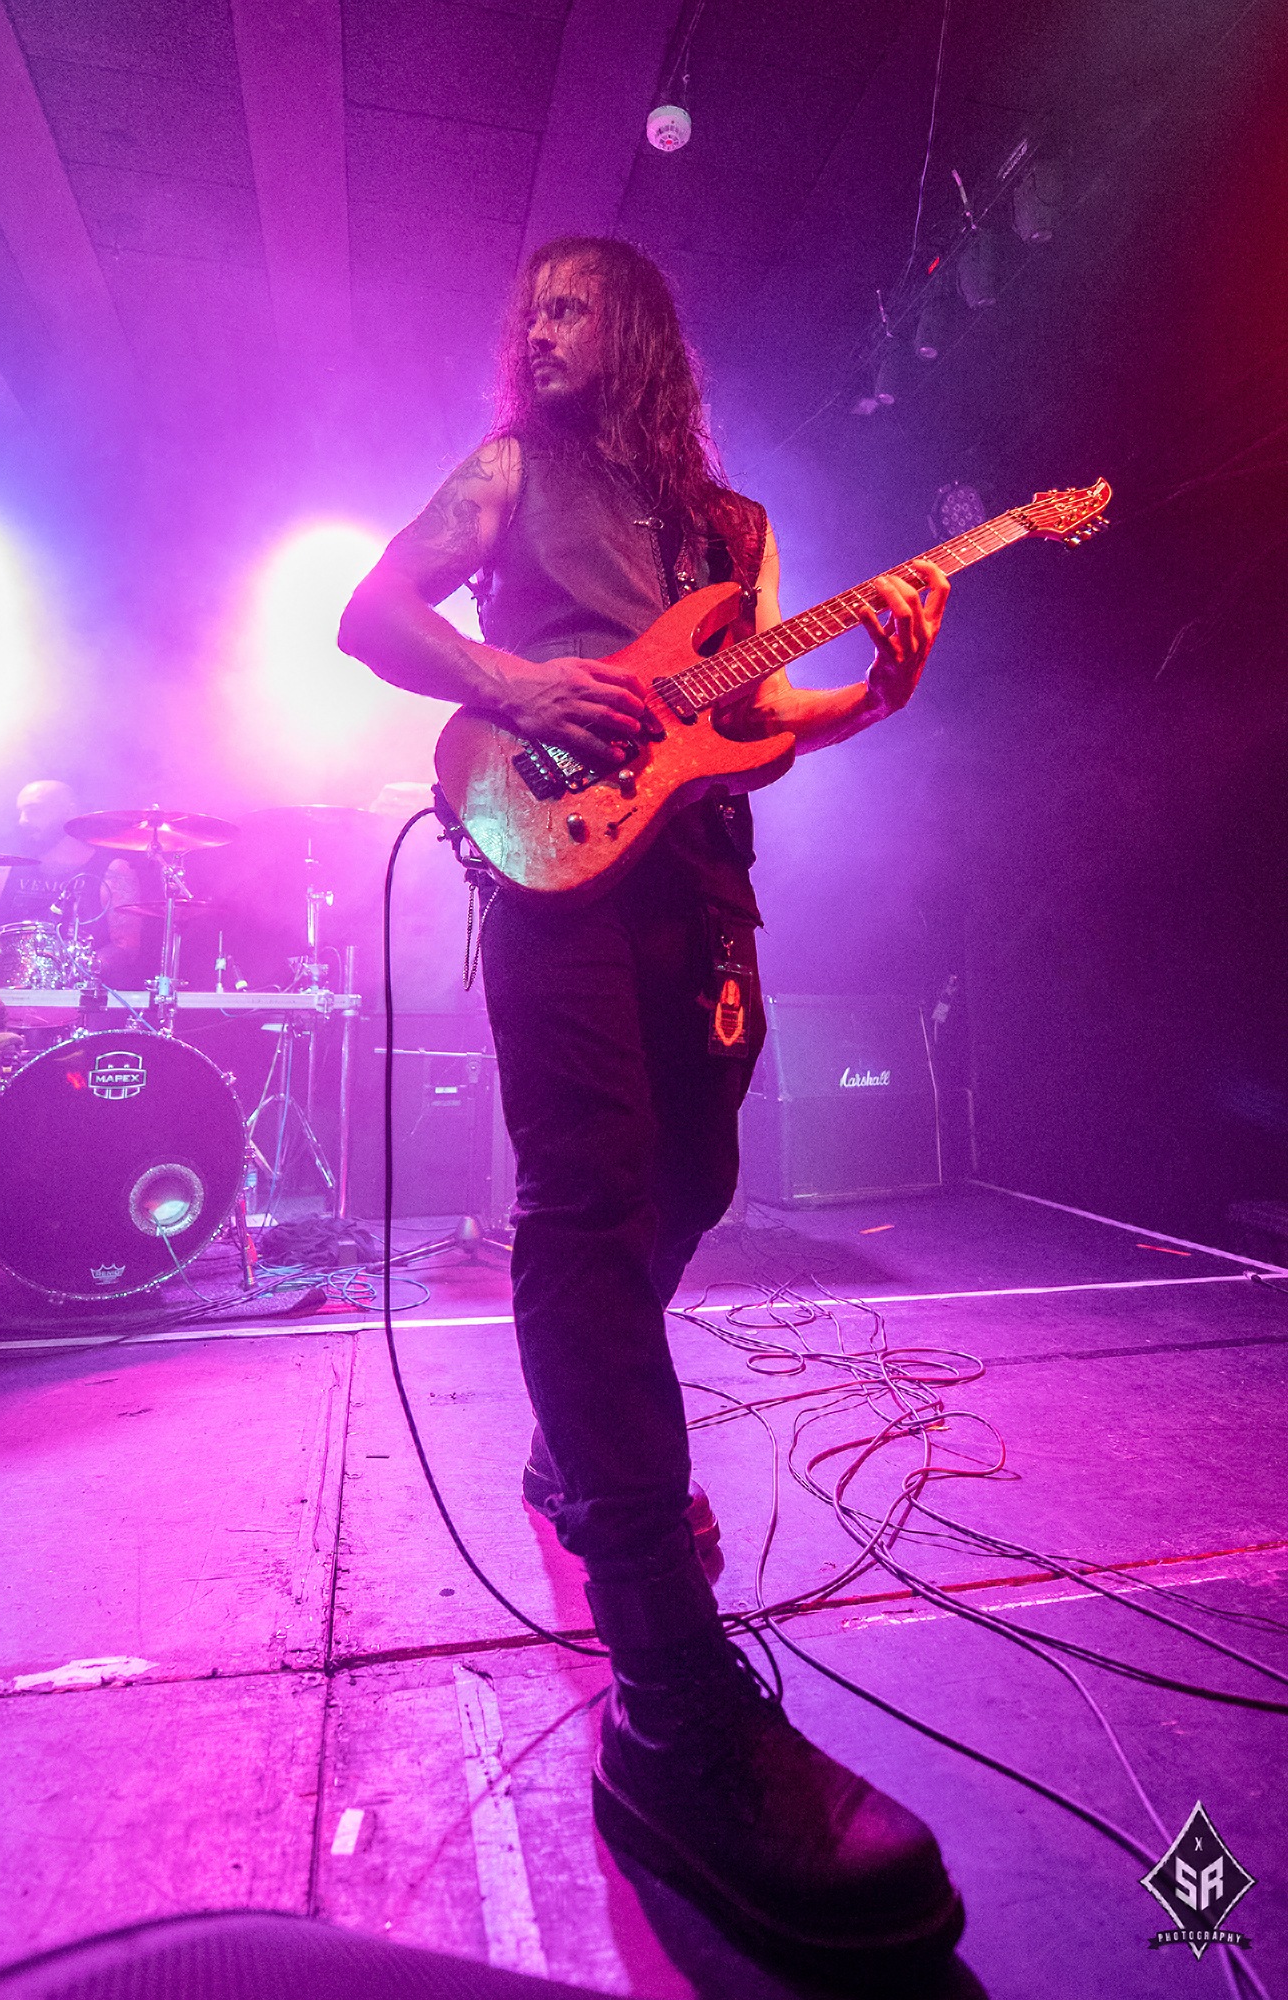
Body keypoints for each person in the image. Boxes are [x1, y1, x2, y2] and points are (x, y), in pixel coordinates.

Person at [339, 239, 959, 1975]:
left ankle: (571, 1441)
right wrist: (517, 683)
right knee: (590, 1203)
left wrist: (870, 696)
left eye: (568, 306)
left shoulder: (727, 533)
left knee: (690, 1180)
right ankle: (670, 1695)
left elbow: (747, 722)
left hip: (697, 885)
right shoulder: (506, 477)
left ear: (637, 331)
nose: (536, 330)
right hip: (551, 864)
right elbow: (370, 615)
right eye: (524, 309)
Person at [0, 779, 144, 985]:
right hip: (8, 993)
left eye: (33, 810)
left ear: (69, 811)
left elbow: (126, 947)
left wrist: (76, 970)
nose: (22, 821)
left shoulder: (113, 870)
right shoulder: (4, 869)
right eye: (20, 812)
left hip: (81, 996)